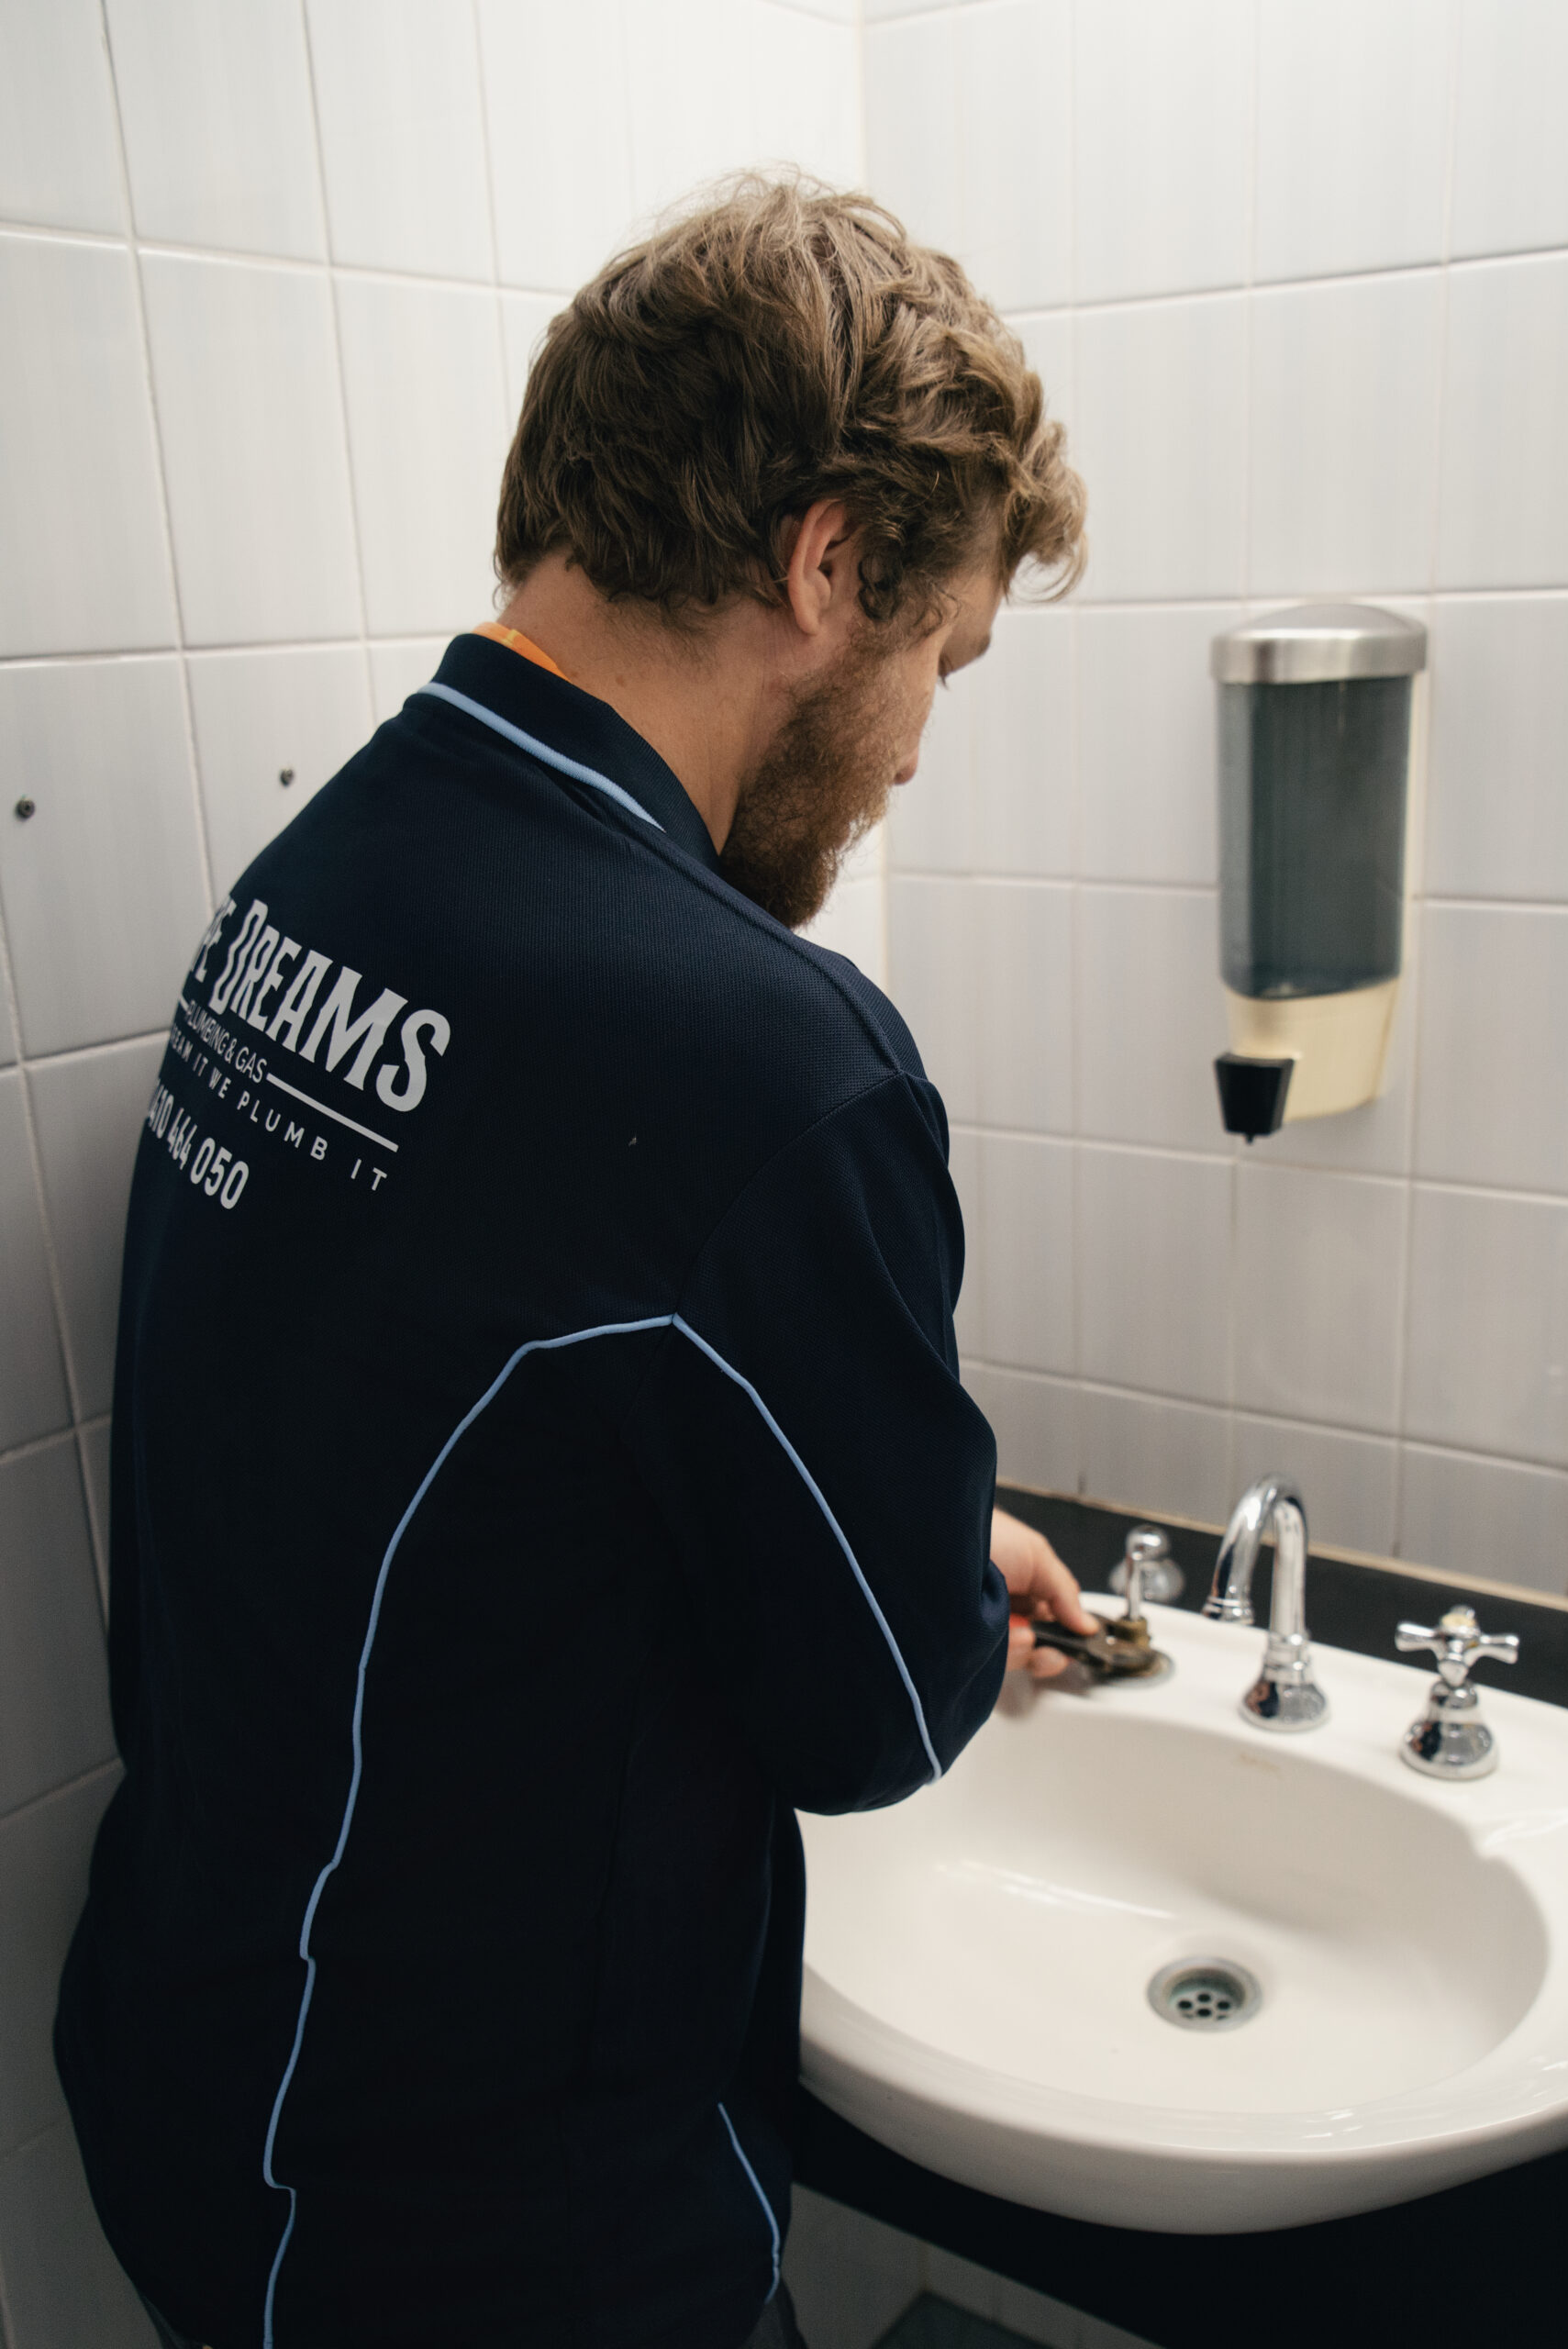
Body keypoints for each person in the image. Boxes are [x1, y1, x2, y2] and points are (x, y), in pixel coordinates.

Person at [55, 177, 1089, 2349]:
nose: (911, 749)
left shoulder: (324, 875)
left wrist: (889, 1503)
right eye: (941, 659)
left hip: (197, 2085)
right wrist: (919, 1565)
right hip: (492, 2240)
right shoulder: (775, 1066)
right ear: (828, 562)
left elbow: (458, 1409)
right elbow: (879, 1712)